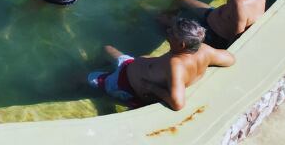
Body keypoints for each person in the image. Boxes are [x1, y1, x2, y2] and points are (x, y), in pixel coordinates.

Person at [89, 18, 234, 111]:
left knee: (84, 77)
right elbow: (230, 59)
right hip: (130, 65)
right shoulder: (203, 49)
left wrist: (151, 87)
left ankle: (99, 92)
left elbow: (178, 103)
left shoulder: (176, 65)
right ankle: (98, 68)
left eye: (173, 33)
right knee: (106, 49)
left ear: (182, 44)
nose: (168, 31)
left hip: (124, 84)